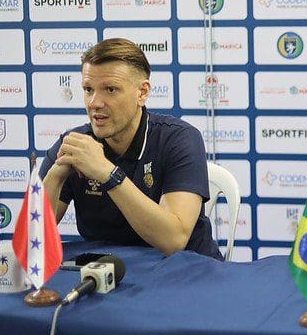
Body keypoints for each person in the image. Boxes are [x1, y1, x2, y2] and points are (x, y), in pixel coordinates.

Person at [41, 38, 222, 260]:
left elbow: (173, 240)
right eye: (88, 89)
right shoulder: (75, 145)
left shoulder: (179, 138)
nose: (94, 102)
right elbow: (33, 241)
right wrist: (55, 177)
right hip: (109, 277)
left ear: (142, 93)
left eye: (110, 89)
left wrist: (107, 174)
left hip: (186, 273)